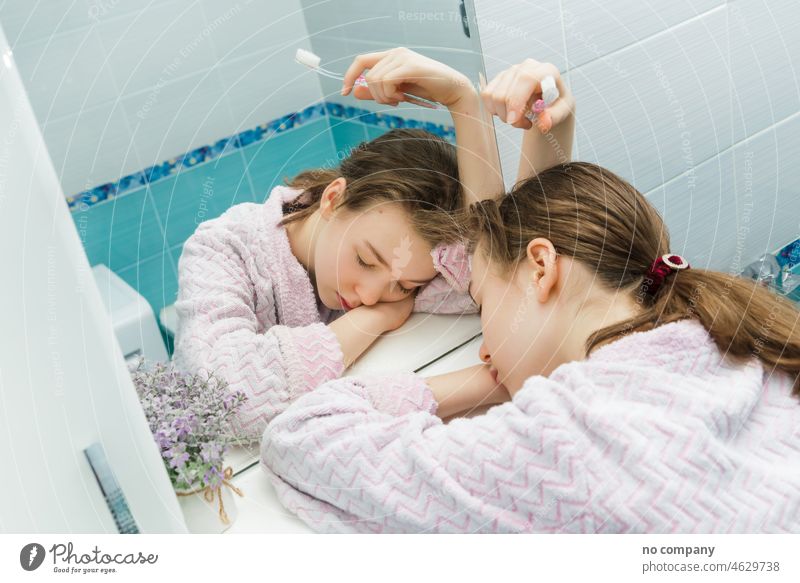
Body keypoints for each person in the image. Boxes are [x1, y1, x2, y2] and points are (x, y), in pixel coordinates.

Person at [259, 60, 800, 533]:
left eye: (486, 304)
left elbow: (302, 435)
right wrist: (473, 105)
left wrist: (466, 387)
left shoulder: (561, 439)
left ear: (542, 268)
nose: (486, 349)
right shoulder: (732, 335)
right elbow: (510, 234)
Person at [172, 48, 504, 445]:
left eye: (405, 286)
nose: (370, 295)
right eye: (364, 260)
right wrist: (370, 321)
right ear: (332, 199)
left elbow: (490, 273)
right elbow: (223, 401)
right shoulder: (222, 248)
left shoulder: (399, 270)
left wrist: (464, 103)